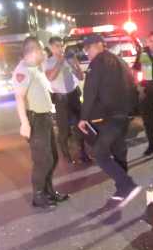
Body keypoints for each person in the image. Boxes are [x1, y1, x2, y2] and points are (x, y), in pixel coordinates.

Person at [78, 35, 141, 202]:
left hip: (108, 117)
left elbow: (90, 92)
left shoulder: (97, 63)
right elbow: (133, 86)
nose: (87, 53)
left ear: (97, 46)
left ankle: (126, 183)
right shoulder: (120, 61)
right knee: (120, 150)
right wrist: (133, 110)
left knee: (100, 153)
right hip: (123, 115)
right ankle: (122, 187)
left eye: (88, 49)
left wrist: (83, 118)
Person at [13, 36, 69, 209]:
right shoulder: (23, 71)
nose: (44, 52)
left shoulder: (36, 67)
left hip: (45, 118)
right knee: (42, 160)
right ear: (34, 51)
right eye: (41, 50)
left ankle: (49, 191)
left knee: (52, 157)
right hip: (35, 120)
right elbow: (19, 98)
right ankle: (38, 196)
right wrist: (24, 123)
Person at [44, 36, 90, 164]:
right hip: (60, 99)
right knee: (63, 130)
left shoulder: (70, 59)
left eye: (61, 45)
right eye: (57, 46)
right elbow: (51, 77)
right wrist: (60, 61)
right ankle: (66, 155)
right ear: (51, 48)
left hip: (73, 96)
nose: (60, 48)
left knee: (80, 126)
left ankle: (83, 153)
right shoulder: (48, 62)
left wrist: (75, 65)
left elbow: (80, 77)